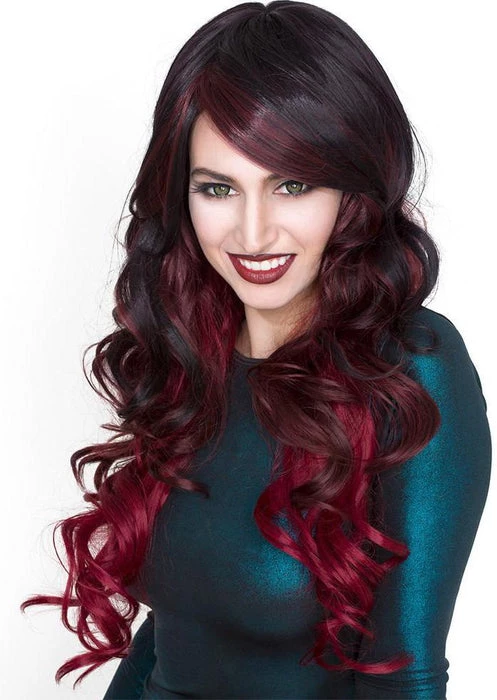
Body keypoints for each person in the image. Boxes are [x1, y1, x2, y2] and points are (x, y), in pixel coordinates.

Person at [20, 2, 492, 698]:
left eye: (291, 185)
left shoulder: (409, 368)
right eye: (218, 188)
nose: (253, 232)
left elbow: (406, 676)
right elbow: (170, 638)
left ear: (354, 190)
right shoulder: (187, 353)